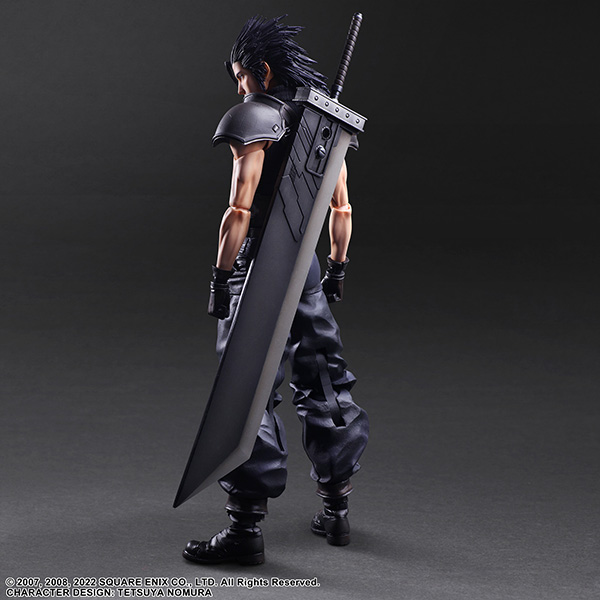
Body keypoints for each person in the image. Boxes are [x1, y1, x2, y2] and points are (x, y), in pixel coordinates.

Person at [183, 15, 369, 566]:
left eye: (241, 75)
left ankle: (245, 530)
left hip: (258, 266)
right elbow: (342, 209)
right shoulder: (323, 122)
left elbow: (239, 210)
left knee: (249, 389)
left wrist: (220, 276)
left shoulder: (255, 115)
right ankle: (337, 510)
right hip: (306, 266)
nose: (239, 87)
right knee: (325, 379)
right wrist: (336, 268)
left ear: (262, 71)